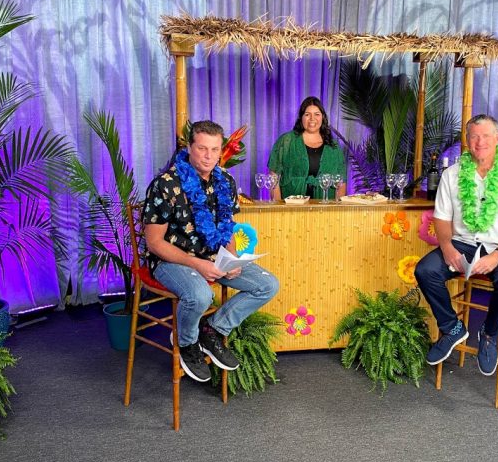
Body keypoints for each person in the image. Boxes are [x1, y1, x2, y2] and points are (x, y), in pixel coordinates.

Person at [143, 120, 279, 382]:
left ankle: (212, 329)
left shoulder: (225, 180)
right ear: (189, 147)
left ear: (221, 150)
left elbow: (228, 226)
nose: (208, 156)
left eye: (214, 150)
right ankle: (186, 342)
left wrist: (232, 257)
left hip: (213, 257)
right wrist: (197, 264)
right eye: (202, 149)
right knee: (200, 295)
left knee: (267, 285)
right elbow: (155, 244)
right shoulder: (165, 184)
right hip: (170, 260)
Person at [414, 114, 498, 376]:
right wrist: (447, 246)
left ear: (497, 139)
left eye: (485, 136)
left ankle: (489, 333)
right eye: (474, 136)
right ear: (467, 141)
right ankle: (452, 328)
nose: (479, 141)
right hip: (463, 243)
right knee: (425, 270)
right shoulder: (452, 175)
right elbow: (442, 218)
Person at [268, 96, 347, 201]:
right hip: (291, 209)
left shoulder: (333, 146)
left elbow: (341, 183)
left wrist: (337, 211)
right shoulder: (286, 141)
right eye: (307, 114)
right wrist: (278, 208)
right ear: (301, 117)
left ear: (323, 117)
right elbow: (274, 178)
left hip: (324, 210)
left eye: (317, 114)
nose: (312, 119)